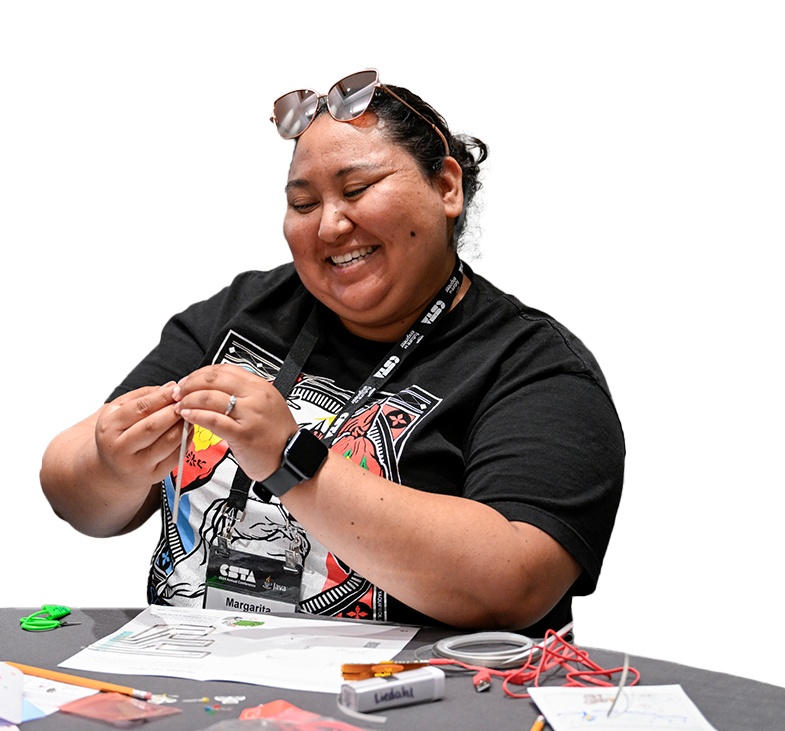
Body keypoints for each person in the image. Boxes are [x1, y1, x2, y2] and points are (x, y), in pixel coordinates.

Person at [39, 70, 624, 634]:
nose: (329, 227)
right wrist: (111, 464)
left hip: (410, 699)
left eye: (357, 189)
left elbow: (513, 584)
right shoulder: (245, 312)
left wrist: (292, 460)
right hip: (192, 680)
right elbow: (74, 496)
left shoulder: (531, 363)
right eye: (303, 204)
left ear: (447, 187)